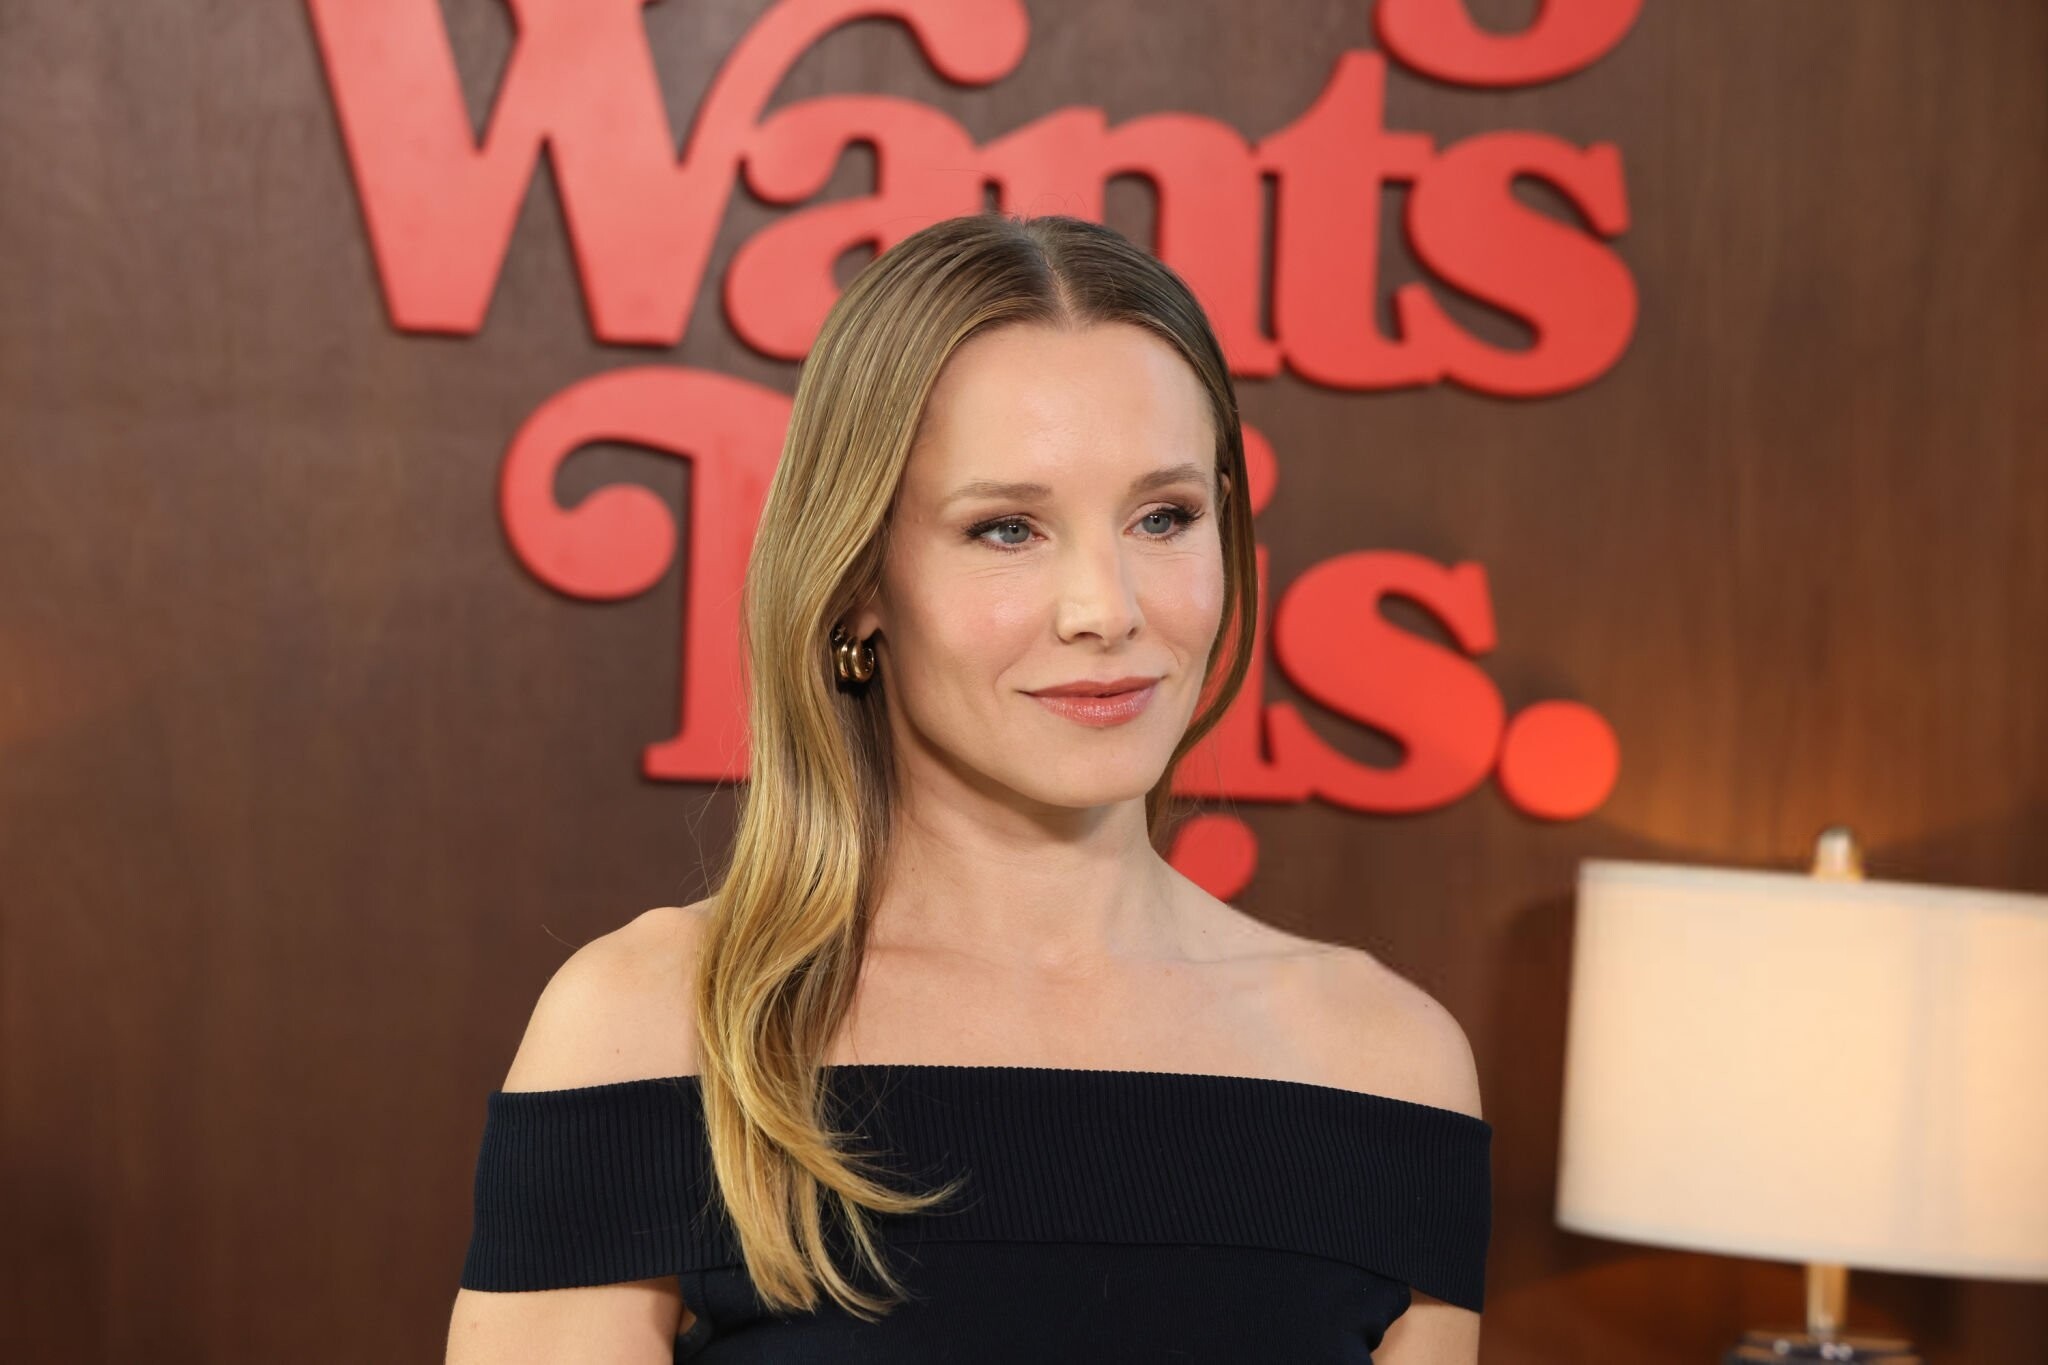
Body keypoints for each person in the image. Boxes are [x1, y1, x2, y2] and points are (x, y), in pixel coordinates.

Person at [444, 211, 1490, 1364]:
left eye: (1163, 517)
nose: (1106, 609)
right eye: (1005, 529)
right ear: (859, 580)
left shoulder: (1386, 1065)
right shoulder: (658, 1028)